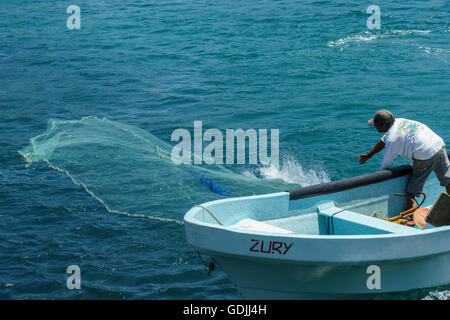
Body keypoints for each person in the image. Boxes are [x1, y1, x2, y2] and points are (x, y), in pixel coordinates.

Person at [357, 110, 450, 209]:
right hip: (439, 146)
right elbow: (384, 139)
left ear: (383, 126)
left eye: (376, 125)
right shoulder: (399, 121)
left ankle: (410, 215)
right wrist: (369, 154)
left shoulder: (392, 139)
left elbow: (385, 164)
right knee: (448, 179)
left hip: (425, 154)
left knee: (412, 189)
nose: (375, 127)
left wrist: (377, 179)